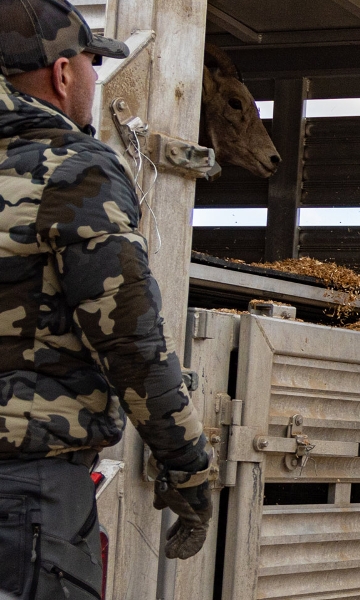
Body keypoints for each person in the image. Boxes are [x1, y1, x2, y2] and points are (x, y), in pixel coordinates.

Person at [0, 1, 212, 598]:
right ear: (62, 74)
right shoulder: (72, 170)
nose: (97, 81)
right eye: (93, 64)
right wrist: (190, 467)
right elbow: (131, 342)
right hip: (26, 502)